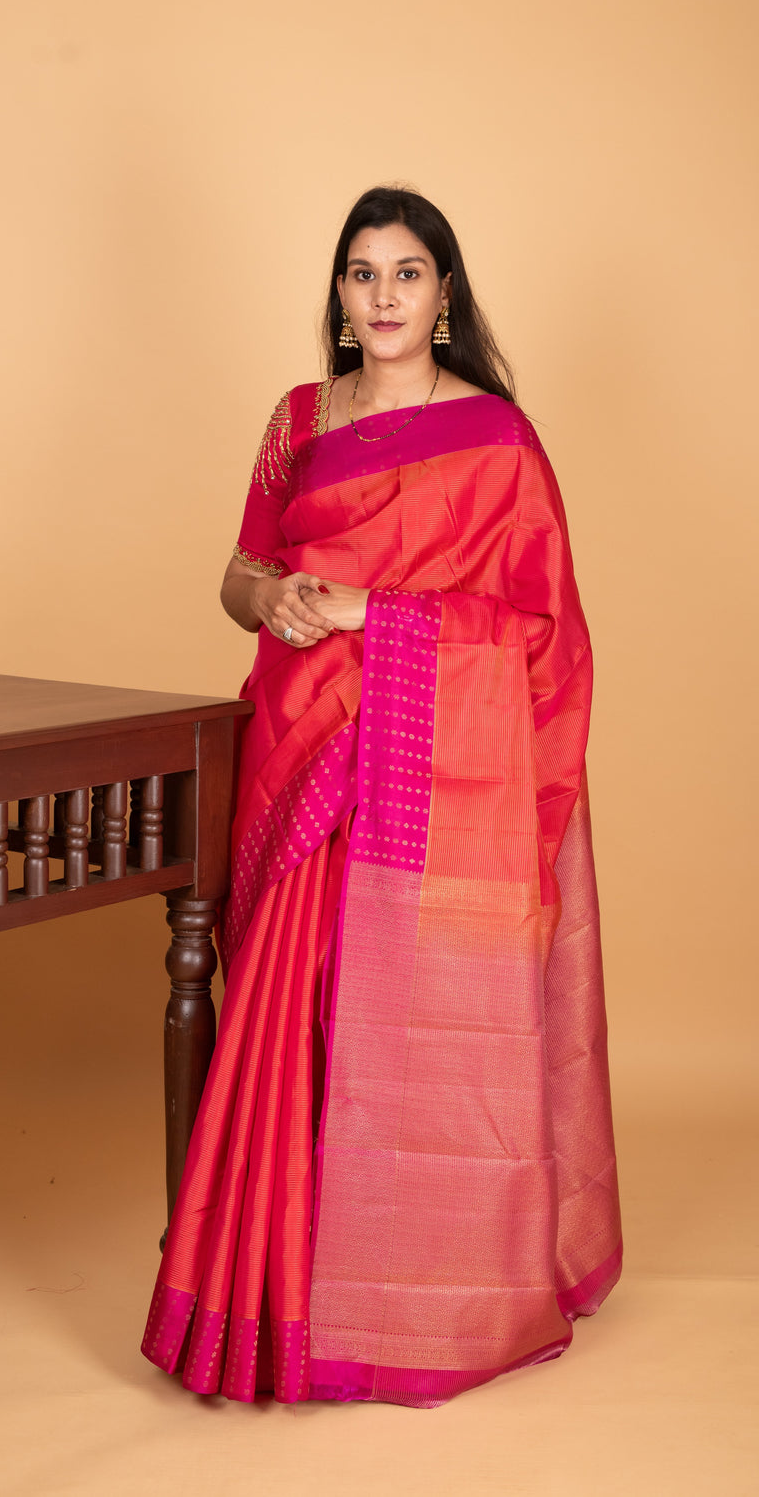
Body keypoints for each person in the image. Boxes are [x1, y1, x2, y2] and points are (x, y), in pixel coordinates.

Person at [141, 187, 621, 1408]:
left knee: (397, 1012)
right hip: (299, 737)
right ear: (341, 293)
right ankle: (279, 1278)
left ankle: (413, 1293)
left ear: (443, 292)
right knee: (293, 1002)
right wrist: (273, 600)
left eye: (408, 273)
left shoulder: (497, 440)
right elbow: (240, 570)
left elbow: (544, 633)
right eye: (363, 274)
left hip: (414, 751)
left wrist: (375, 611)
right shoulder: (298, 419)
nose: (385, 295)